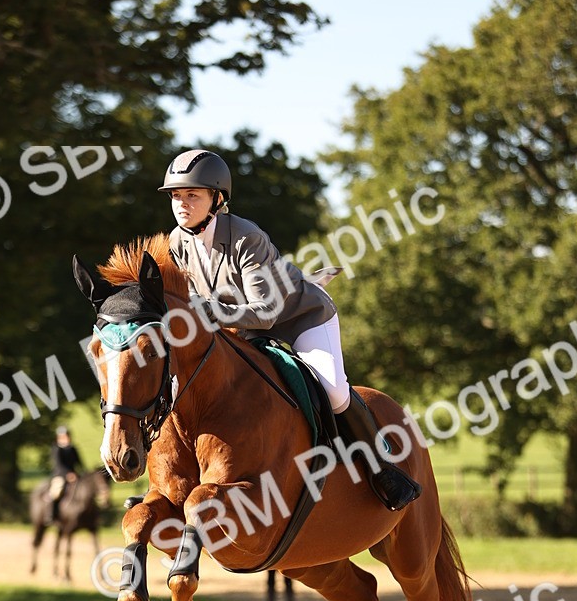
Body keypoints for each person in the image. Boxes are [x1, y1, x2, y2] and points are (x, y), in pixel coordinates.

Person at [159, 148, 421, 511]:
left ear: (217, 199)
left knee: (333, 391)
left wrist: (209, 311)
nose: (181, 204)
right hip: (242, 331)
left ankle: (384, 470)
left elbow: (265, 313)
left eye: (192, 195)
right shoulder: (176, 242)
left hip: (301, 317)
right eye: (176, 196)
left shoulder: (245, 237)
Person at [45, 426, 83, 526]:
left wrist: (83, 473)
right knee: (57, 492)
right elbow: (58, 464)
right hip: (60, 475)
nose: (66, 438)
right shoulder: (56, 449)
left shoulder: (73, 448)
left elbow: (79, 462)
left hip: (74, 475)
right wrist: (68, 474)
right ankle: (52, 515)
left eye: (67, 435)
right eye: (64, 436)